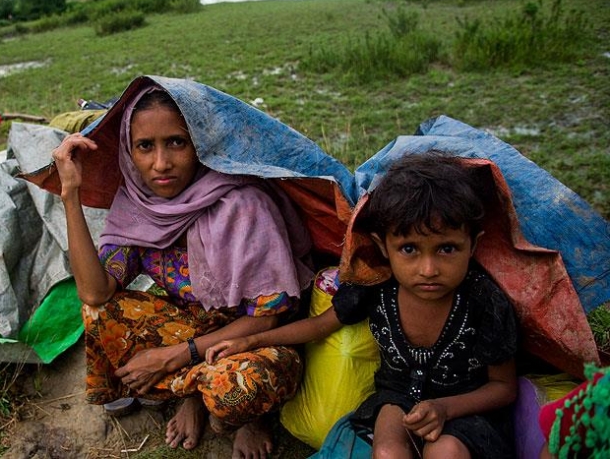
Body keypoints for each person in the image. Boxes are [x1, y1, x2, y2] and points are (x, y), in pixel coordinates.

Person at [50, 86, 312, 457]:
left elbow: (269, 321)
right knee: (98, 313)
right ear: (129, 151)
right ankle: (191, 394)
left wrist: (174, 355)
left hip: (253, 341)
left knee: (239, 387)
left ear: (202, 144)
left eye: (177, 142)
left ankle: (248, 419)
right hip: (193, 329)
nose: (161, 163)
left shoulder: (244, 206)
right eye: (145, 146)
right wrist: (70, 195)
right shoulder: (138, 204)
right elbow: (96, 293)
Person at [207, 151, 520, 458]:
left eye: (447, 249)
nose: (428, 269)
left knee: (447, 451)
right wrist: (251, 340)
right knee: (386, 452)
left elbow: (503, 387)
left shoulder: (484, 302)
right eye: (409, 249)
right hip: (397, 401)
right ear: (383, 246)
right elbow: (320, 325)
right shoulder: (375, 286)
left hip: (465, 409)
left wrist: (444, 408)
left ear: (473, 245)